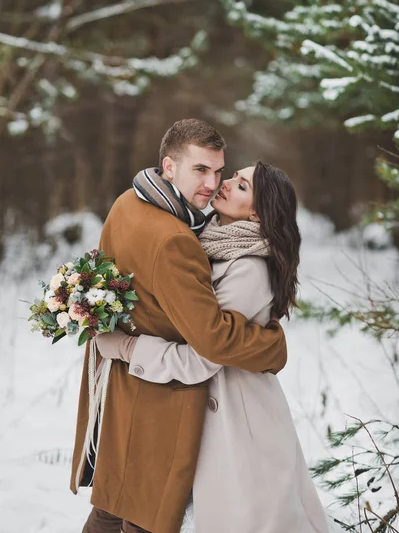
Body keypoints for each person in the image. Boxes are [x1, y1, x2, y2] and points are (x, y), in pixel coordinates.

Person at [71, 119, 287, 533]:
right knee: (145, 518)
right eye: (200, 170)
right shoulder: (177, 239)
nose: (213, 183)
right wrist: (271, 346)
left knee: (114, 509)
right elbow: (213, 341)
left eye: (221, 171)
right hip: (164, 400)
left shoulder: (127, 203)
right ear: (169, 167)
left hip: (125, 392)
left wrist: (117, 345)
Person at [97, 162, 330, 533]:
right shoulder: (206, 238)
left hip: (236, 418)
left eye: (241, 186)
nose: (224, 185)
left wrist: (126, 347)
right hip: (190, 406)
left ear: (256, 211)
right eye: (233, 177)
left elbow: (203, 358)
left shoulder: (248, 268)